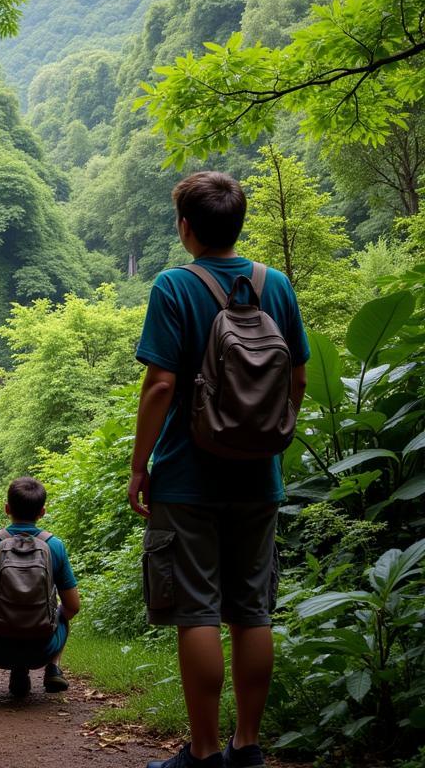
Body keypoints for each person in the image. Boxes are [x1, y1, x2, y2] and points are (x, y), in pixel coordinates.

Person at [129, 171, 309, 768]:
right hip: (259, 479)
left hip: (188, 476)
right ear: (239, 223)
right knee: (252, 609)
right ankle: (248, 747)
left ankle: (204, 752)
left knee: (198, 610)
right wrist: (266, 442)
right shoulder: (275, 284)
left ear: (186, 227)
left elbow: (160, 384)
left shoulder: (175, 286)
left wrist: (140, 465)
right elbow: (297, 379)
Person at [0, 476, 79, 706]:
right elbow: (73, 606)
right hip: (42, 648)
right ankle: (53, 668)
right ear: (42, 512)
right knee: (61, 614)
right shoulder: (54, 545)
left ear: (7, 508)